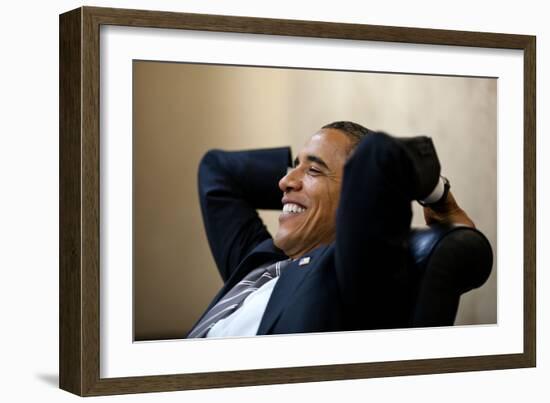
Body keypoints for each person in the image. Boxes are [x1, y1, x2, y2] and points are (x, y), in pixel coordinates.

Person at [186, 121, 474, 338]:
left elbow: (380, 155)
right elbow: (217, 170)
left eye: (314, 170)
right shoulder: (261, 259)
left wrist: (437, 195)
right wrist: (302, 178)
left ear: (354, 198)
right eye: (292, 167)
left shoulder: (349, 274)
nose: (283, 183)